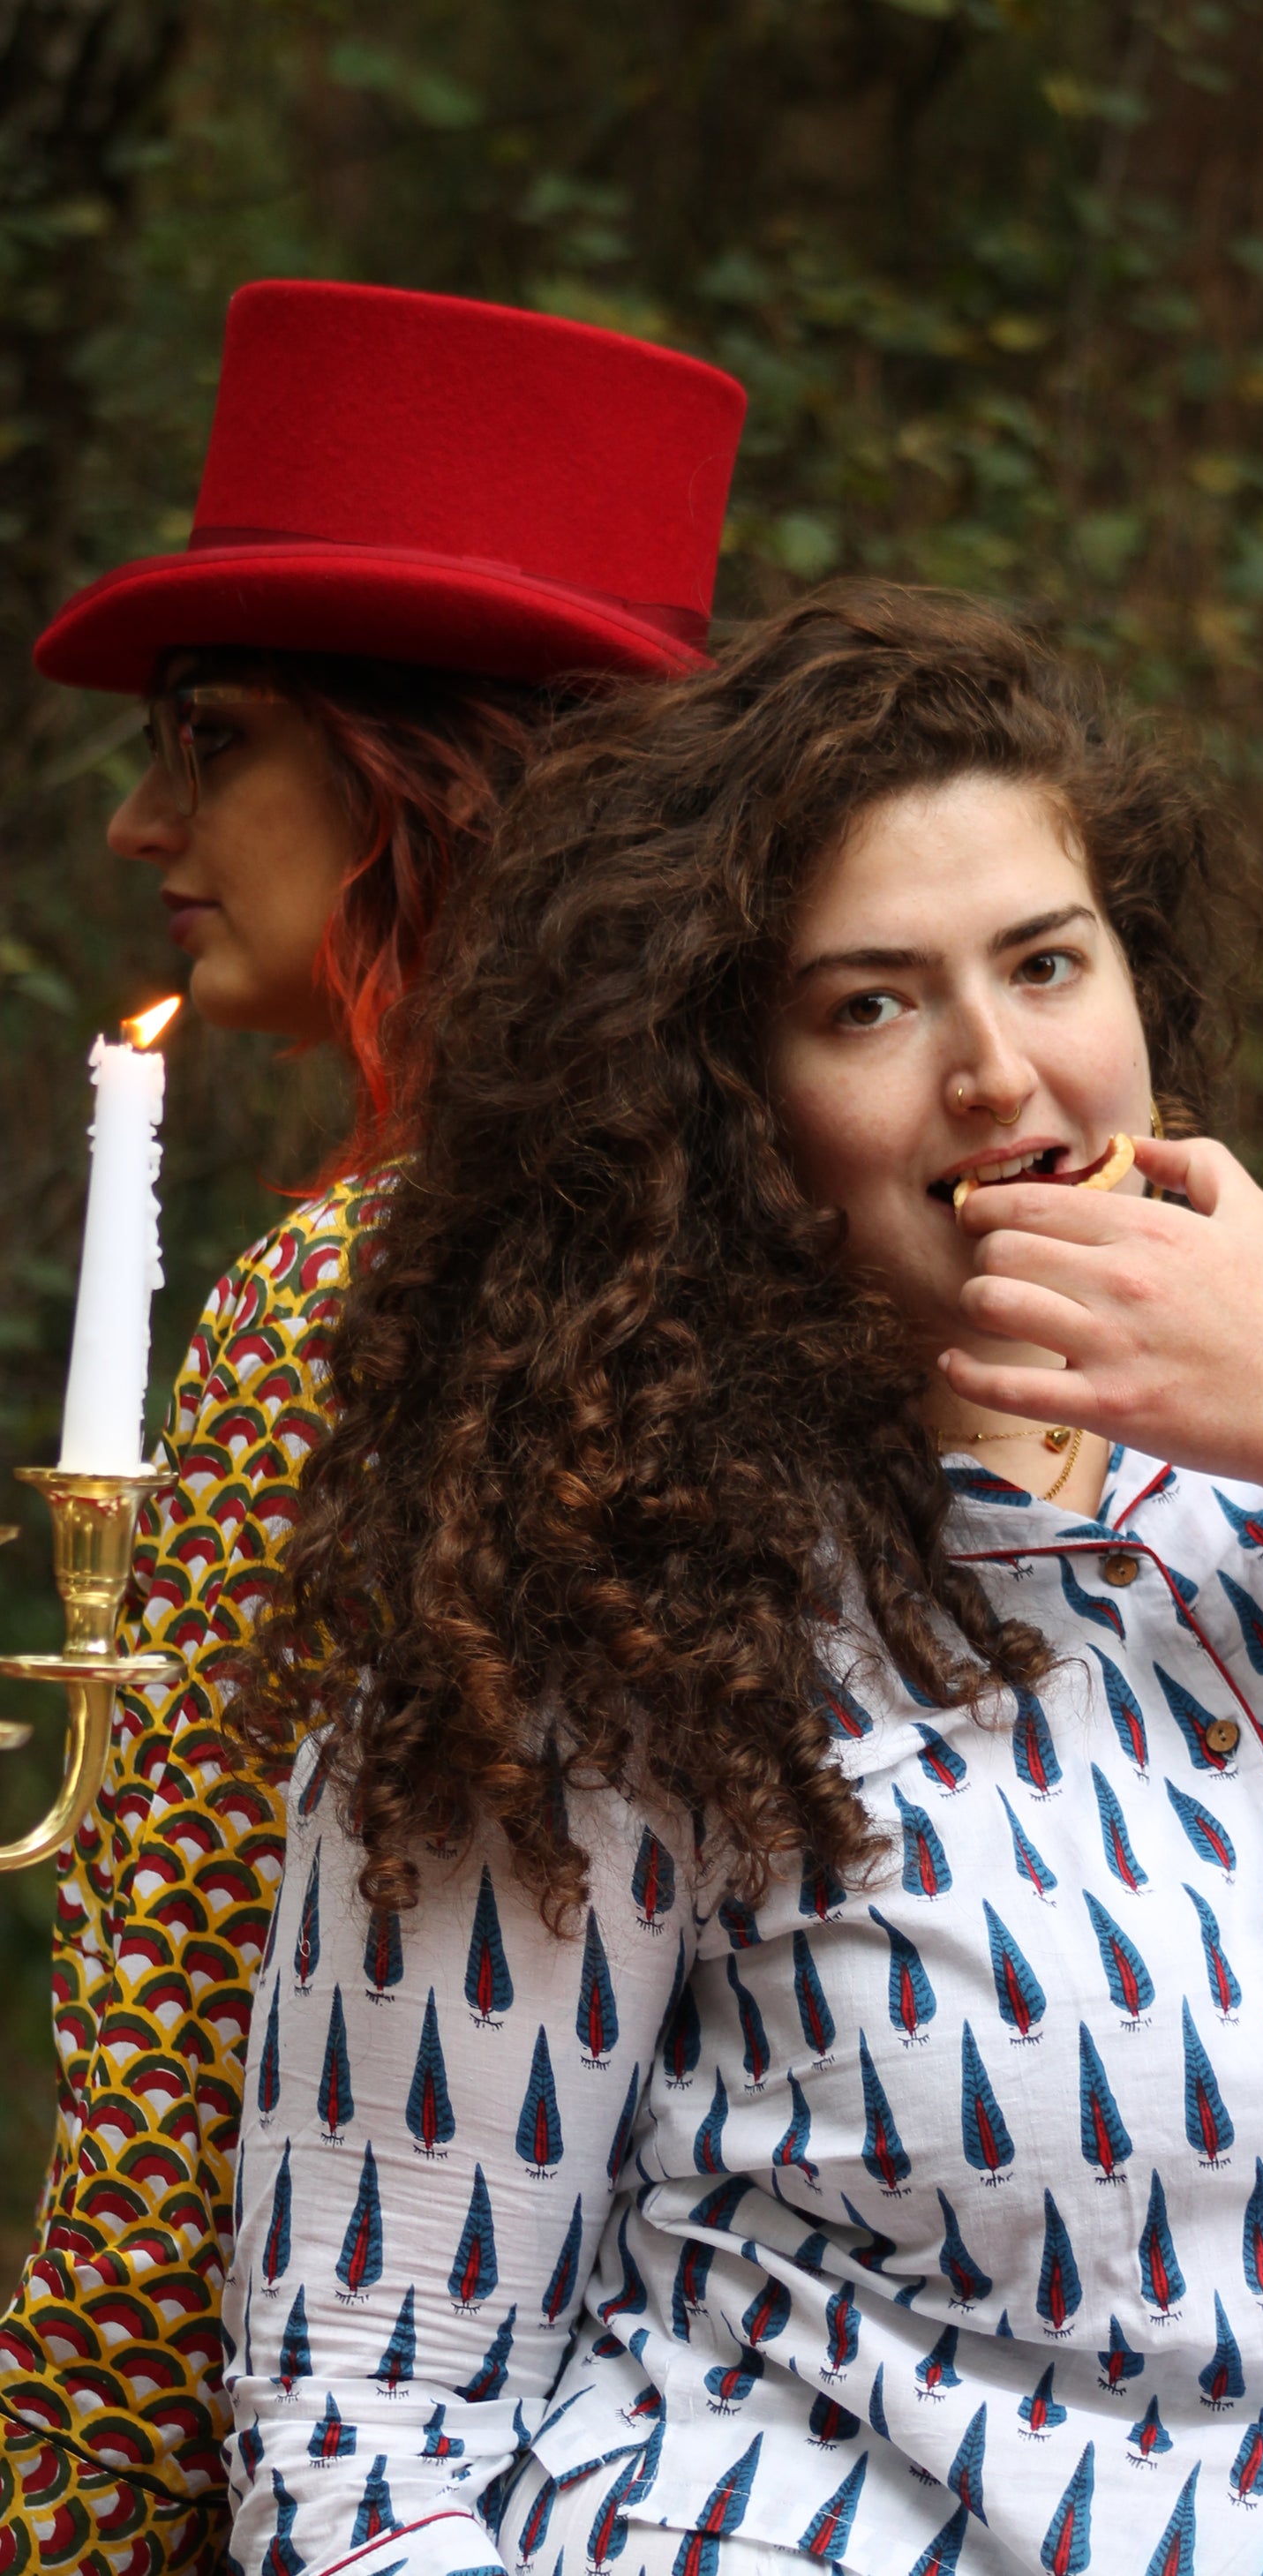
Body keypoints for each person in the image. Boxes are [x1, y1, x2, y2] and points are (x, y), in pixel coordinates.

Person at [225, 585, 1263, 2576]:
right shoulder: (602, 1563)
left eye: (1044, 961)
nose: (999, 1073)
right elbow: (362, 2416)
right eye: (871, 1002)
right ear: (728, 1098)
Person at [0, 278, 744, 2576]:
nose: (143, 824)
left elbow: (175, 2070)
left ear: (422, 763)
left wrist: (66, 2527)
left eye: (208, 734)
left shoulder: (351, 1308)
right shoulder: (775, 1241)